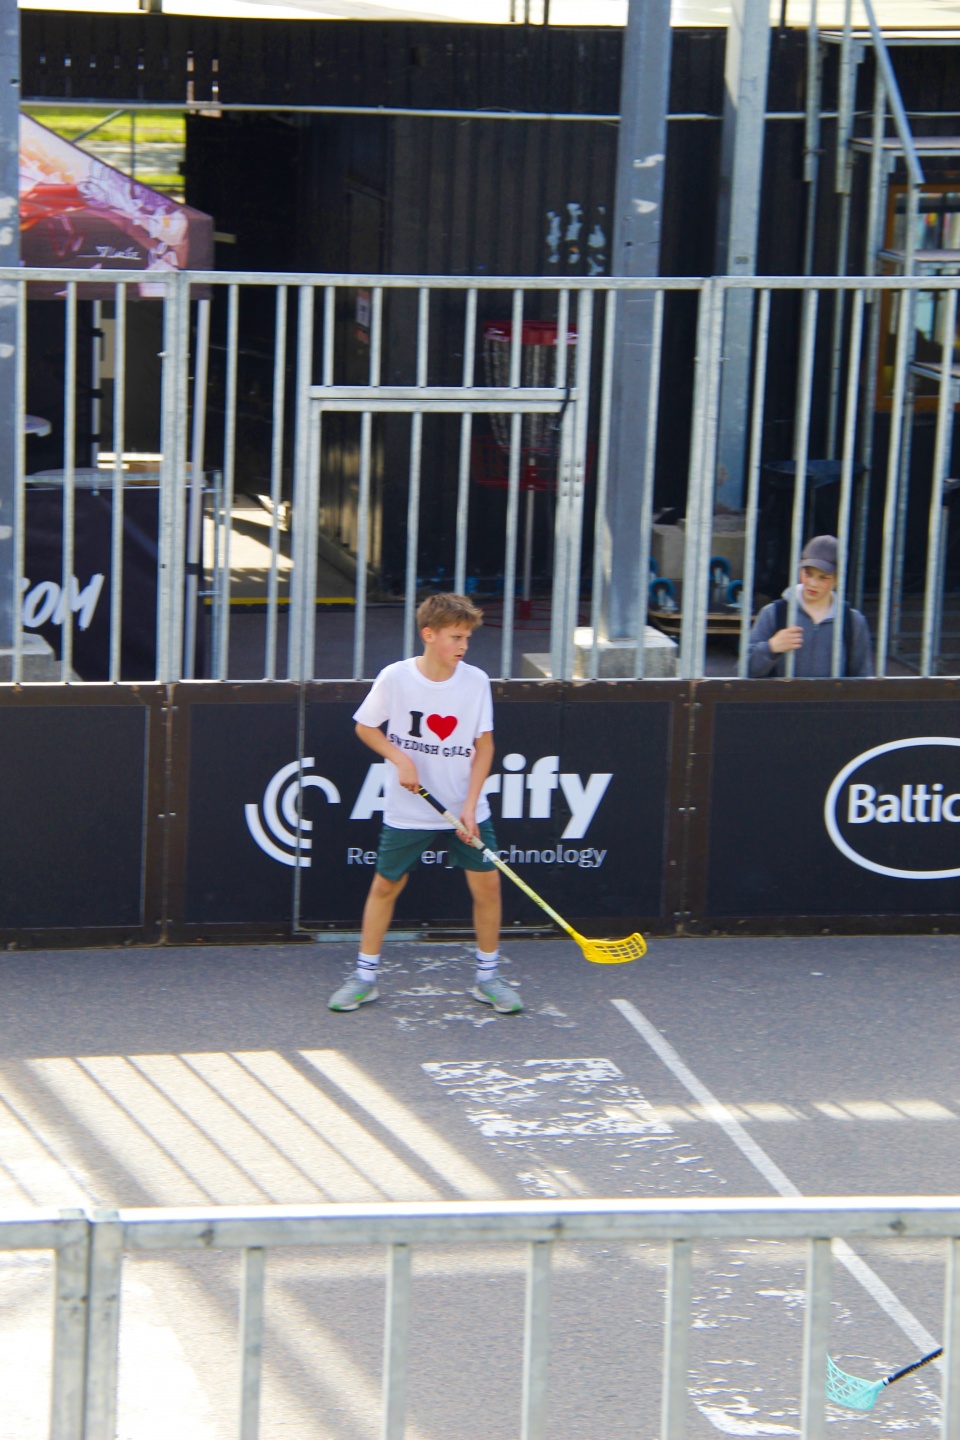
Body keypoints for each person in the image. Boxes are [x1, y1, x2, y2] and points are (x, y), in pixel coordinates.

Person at [328, 592, 522, 1015]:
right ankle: (364, 978)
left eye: (467, 637)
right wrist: (400, 759)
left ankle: (488, 978)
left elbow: (485, 747)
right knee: (385, 885)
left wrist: (470, 805)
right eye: (456, 637)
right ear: (429, 635)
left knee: (488, 886)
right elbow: (365, 727)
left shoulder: (476, 681)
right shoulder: (396, 678)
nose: (463, 646)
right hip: (409, 808)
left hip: (464, 806)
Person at [748, 534, 873, 678]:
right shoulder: (773, 613)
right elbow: (744, 671)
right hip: (783, 693)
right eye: (808, 573)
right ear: (799, 569)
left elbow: (863, 680)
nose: (813, 583)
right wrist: (771, 647)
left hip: (833, 694)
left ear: (838, 578)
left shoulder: (853, 621)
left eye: (823, 577)